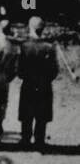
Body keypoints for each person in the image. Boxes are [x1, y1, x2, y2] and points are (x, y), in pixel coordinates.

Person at [17, 17, 59, 151]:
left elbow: (19, 70)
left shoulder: (24, 46)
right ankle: (39, 142)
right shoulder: (50, 47)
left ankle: (25, 140)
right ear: (42, 29)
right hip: (44, 85)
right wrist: (45, 79)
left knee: (27, 114)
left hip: (28, 83)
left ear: (31, 28)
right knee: (42, 114)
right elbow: (54, 70)